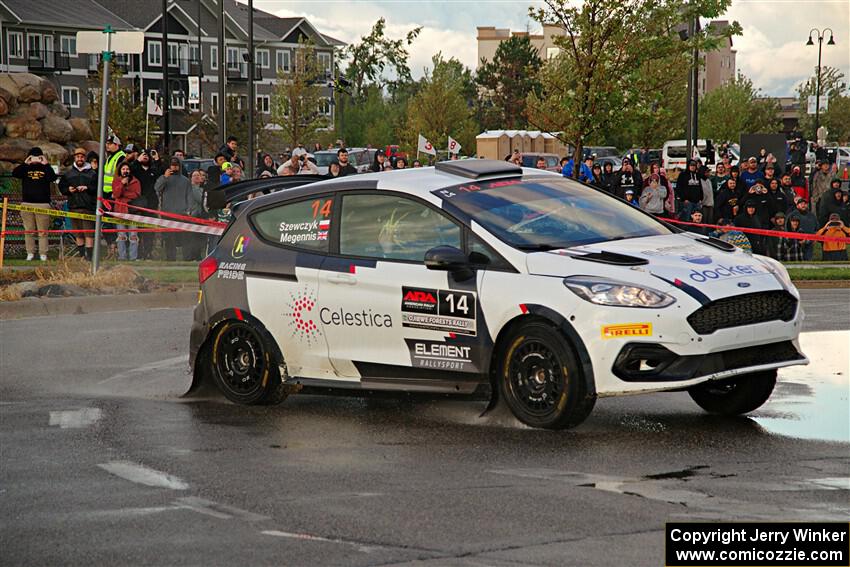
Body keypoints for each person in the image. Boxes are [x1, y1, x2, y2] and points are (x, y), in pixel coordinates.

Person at [12, 147, 57, 261]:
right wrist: (25, 163)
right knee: (29, 231)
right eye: (33, 156)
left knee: (43, 232)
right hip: (27, 203)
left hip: (43, 204)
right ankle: (30, 253)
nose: (36, 159)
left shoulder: (45, 169)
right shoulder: (26, 169)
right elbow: (15, 173)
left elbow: (53, 177)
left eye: (38, 156)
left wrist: (46, 164)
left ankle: (43, 254)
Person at [58, 147, 97, 260]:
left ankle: (89, 258)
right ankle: (82, 256)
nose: (80, 158)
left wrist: (87, 188)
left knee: (89, 234)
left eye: (82, 157)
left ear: (85, 158)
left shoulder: (92, 173)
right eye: (77, 156)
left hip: (88, 207)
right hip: (73, 206)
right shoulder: (69, 174)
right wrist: (68, 190)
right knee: (78, 234)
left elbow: (96, 188)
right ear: (74, 158)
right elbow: (61, 187)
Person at [155, 157, 192, 260]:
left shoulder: (185, 180)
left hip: (182, 213)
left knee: (184, 238)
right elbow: (157, 188)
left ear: (179, 166)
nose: (174, 167)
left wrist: (189, 210)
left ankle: (187, 258)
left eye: (176, 165)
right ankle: (170, 258)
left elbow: (189, 196)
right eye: (172, 165)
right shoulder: (165, 178)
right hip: (167, 213)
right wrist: (164, 177)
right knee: (168, 238)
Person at [130, 149, 164, 259]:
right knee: (138, 230)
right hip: (138, 204)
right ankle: (139, 253)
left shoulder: (153, 170)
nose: (145, 156)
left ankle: (148, 252)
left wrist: (157, 159)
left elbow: (161, 172)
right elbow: (128, 170)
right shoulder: (136, 169)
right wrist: (137, 161)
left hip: (151, 204)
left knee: (149, 231)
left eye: (146, 155)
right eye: (142, 155)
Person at [110, 162, 141, 261]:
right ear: (120, 171)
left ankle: (133, 257)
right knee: (121, 236)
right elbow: (116, 194)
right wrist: (122, 185)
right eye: (123, 169)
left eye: (127, 169)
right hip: (120, 211)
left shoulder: (136, 181)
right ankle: (122, 257)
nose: (125, 171)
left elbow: (136, 195)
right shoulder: (116, 181)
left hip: (133, 212)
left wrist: (124, 194)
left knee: (133, 236)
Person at [184, 170, 207, 260]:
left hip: (200, 216)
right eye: (195, 175)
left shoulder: (201, 188)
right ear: (191, 178)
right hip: (193, 216)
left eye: (199, 175)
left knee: (199, 237)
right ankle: (191, 256)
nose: (197, 177)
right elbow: (201, 200)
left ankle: (197, 255)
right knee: (192, 237)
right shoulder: (192, 188)